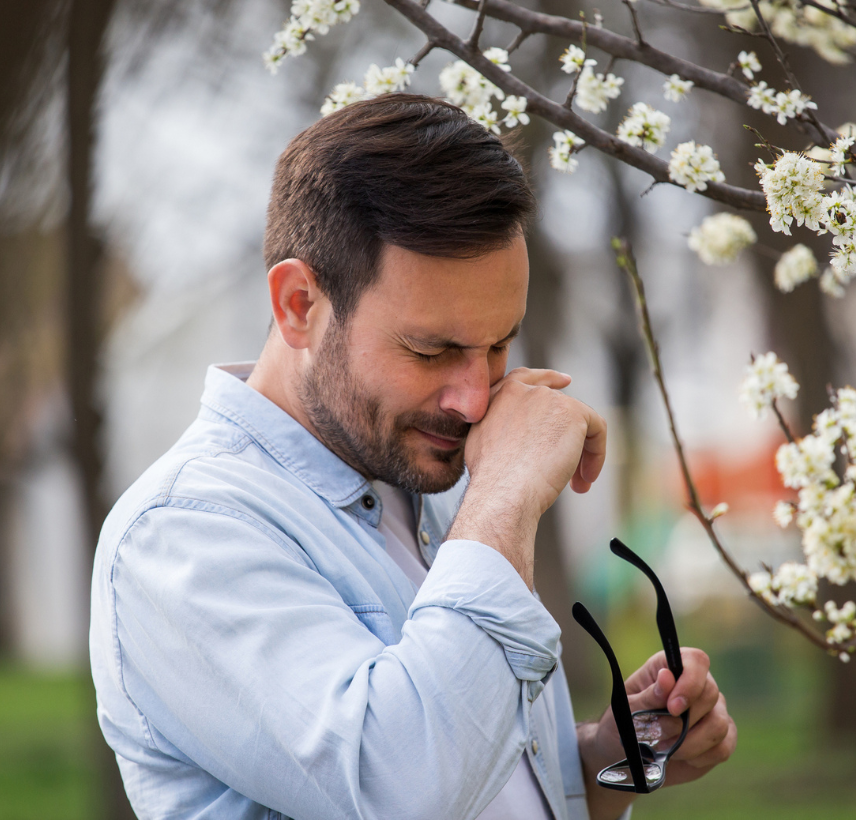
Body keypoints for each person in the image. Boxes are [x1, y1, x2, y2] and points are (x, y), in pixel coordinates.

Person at [89, 93, 735, 820]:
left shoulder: (430, 485)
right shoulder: (183, 533)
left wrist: (601, 759)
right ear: (300, 303)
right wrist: (507, 497)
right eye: (432, 350)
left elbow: (477, 780)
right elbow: (404, 791)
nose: (473, 397)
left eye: (498, 346)